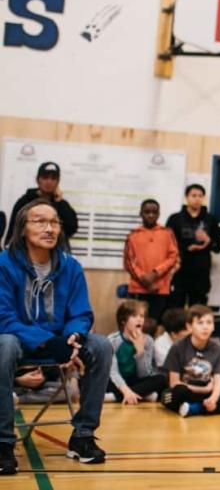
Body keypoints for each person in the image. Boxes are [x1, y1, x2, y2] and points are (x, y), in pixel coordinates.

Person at [0, 199, 112, 471]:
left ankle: (82, 436)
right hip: (21, 340)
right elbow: (4, 318)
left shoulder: (70, 266)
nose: (49, 228)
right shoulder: (4, 263)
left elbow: (81, 313)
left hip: (62, 342)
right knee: (4, 345)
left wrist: (74, 335)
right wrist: (47, 341)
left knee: (101, 346)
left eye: (54, 222)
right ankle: (3, 442)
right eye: (40, 221)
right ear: (22, 228)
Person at [161, 304, 220, 417]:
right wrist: (205, 390)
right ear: (189, 326)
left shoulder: (216, 347)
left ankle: (195, 408)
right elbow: (174, 383)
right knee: (174, 394)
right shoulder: (178, 347)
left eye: (209, 322)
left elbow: (219, 381)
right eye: (200, 323)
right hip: (187, 390)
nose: (205, 327)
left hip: (207, 390)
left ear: (213, 327)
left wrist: (213, 398)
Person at [123, 199, 180, 323]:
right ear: (141, 213)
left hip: (160, 288)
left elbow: (173, 256)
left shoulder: (167, 233)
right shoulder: (133, 235)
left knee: (156, 323)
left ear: (159, 214)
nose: (150, 215)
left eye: (154, 212)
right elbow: (128, 261)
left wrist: (155, 273)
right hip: (138, 288)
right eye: (147, 212)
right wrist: (144, 278)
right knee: (137, 322)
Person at [167, 184, 220, 308]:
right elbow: (167, 244)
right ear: (186, 197)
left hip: (201, 271)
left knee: (198, 308)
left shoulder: (211, 219)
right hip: (179, 269)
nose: (197, 199)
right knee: (176, 306)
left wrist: (208, 241)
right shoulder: (175, 219)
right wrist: (186, 248)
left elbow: (218, 247)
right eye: (193, 195)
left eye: (200, 196)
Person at [106, 300, 166, 405]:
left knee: (160, 379)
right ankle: (142, 395)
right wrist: (126, 391)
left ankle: (114, 397)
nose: (139, 319)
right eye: (134, 316)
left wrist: (140, 352)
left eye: (142, 316)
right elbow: (113, 372)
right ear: (123, 321)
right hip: (116, 381)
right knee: (97, 380)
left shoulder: (148, 340)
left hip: (136, 380)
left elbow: (144, 374)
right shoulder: (112, 340)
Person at [4, 162, 79, 245]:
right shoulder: (24, 202)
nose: (49, 181)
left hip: (54, 251)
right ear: (37, 179)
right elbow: (13, 230)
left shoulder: (62, 204)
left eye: (53, 178)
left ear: (58, 181)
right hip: (27, 250)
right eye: (45, 177)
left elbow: (71, 228)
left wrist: (59, 203)